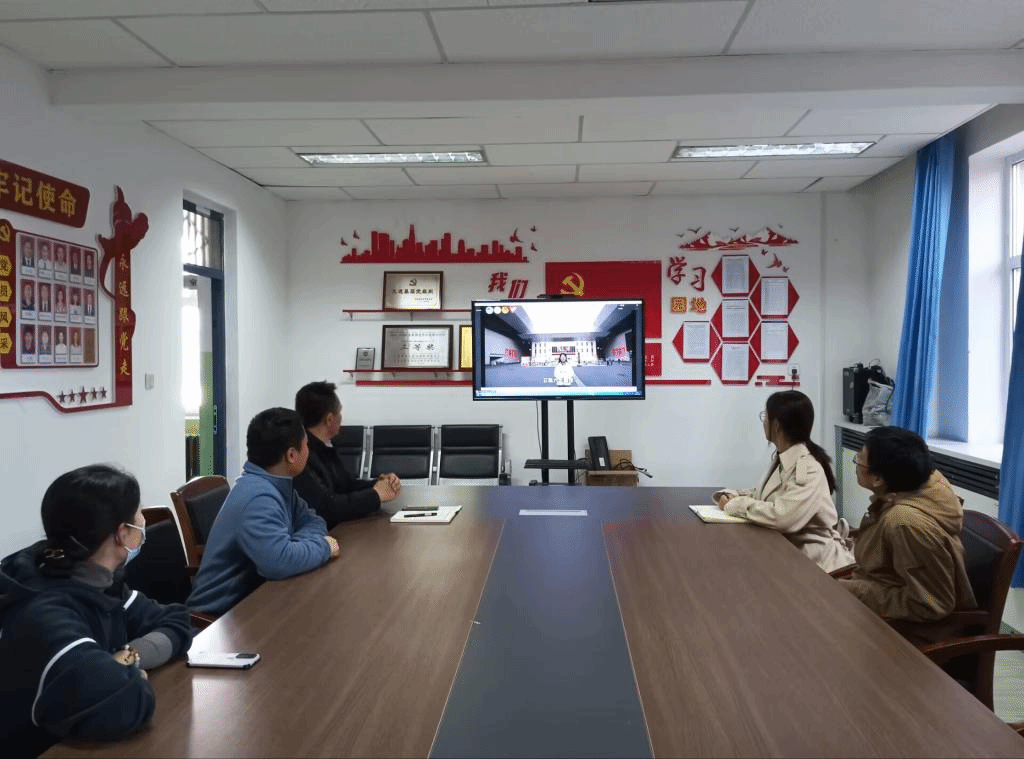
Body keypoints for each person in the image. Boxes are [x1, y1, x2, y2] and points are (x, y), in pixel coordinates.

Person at [0, 465, 193, 757]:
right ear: (123, 534)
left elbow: (177, 621)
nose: (142, 523)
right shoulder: (44, 615)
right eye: (138, 517)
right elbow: (131, 701)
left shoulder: (97, 580)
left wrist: (127, 657)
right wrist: (123, 674)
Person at [188, 407, 339, 616]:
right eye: (306, 444)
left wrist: (294, 547)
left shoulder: (277, 484)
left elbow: (314, 522)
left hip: (254, 601)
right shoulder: (258, 497)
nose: (309, 449)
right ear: (291, 455)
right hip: (218, 618)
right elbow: (280, 562)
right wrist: (324, 546)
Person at [838, 426, 977, 626]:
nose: (856, 464)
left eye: (859, 459)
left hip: (902, 630)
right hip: (878, 602)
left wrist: (858, 591)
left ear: (878, 479)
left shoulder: (906, 524)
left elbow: (931, 603)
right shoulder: (919, 485)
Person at [714, 390, 854, 572]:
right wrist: (732, 495)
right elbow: (764, 495)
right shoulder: (784, 458)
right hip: (786, 552)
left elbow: (783, 517)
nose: (763, 421)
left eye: (765, 416)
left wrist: (737, 505)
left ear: (777, 425)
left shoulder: (808, 468)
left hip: (815, 563)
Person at [293, 381, 401, 528]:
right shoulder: (302, 456)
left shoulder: (325, 447)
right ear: (329, 419)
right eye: (339, 412)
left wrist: (380, 483)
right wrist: (375, 495)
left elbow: (346, 486)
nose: (341, 418)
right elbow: (328, 507)